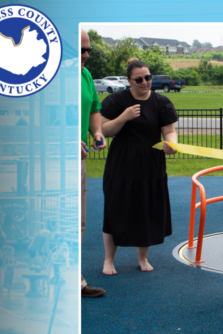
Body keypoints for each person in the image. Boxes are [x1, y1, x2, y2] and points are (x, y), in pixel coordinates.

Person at [99, 58, 178, 275]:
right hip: (121, 164)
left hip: (151, 165)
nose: (145, 82)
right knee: (114, 211)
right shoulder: (117, 100)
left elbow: (169, 131)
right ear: (129, 80)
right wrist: (124, 117)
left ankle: (142, 257)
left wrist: (172, 143)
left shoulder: (161, 102)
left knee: (147, 211)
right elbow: (104, 131)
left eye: (148, 77)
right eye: (139, 79)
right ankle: (108, 260)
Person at [80, 28, 107, 298]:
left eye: (88, 50)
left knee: (78, 223)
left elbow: (94, 109)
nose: (86, 55)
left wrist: (96, 132)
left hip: (77, 161)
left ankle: (73, 281)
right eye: (80, 50)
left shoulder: (85, 75)